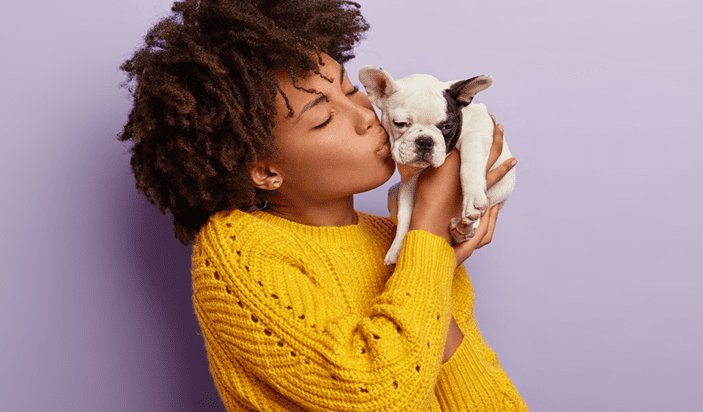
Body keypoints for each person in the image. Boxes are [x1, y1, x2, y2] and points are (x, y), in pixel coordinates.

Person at [118, 0, 526, 410]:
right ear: (265, 171)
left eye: (350, 91)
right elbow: (378, 395)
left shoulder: (401, 240)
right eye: (324, 118)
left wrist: (432, 260)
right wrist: (427, 230)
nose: (367, 116)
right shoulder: (238, 248)